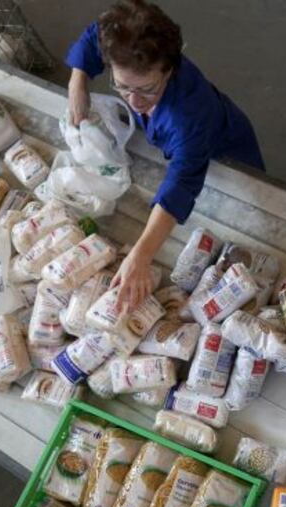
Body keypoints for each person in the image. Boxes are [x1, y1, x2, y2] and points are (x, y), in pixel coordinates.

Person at [66, 0, 264, 310]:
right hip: (185, 149)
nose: (134, 101)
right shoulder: (124, 52)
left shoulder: (191, 116)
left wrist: (141, 255)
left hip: (226, 152)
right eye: (121, 86)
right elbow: (96, 35)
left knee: (242, 211)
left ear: (169, 69)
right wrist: (77, 81)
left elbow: (182, 184)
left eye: (146, 89)